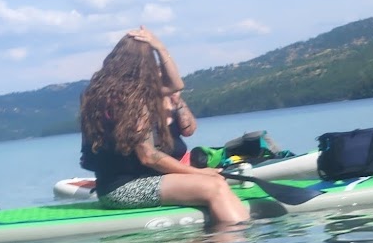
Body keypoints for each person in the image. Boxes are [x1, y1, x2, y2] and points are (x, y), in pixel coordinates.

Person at [78, 29, 249, 226]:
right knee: (215, 187)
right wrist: (201, 173)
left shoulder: (101, 92)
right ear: (145, 66)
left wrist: (159, 47)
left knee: (216, 183)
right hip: (123, 189)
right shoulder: (130, 99)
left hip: (117, 185)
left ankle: (227, 242)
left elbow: (176, 85)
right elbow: (148, 156)